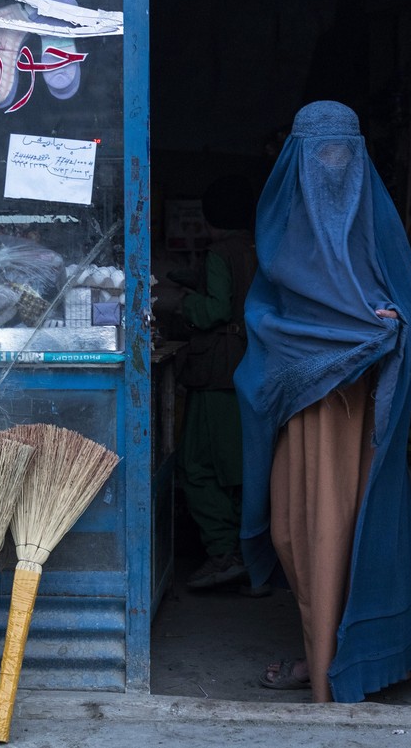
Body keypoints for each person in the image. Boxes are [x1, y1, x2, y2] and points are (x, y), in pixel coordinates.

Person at [234, 101, 411, 702]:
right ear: (297, 158)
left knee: (341, 533)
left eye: (343, 153)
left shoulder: (372, 222)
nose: (331, 165)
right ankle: (322, 654)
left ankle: (328, 666)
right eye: (319, 152)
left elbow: (409, 301)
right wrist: (313, 351)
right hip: (303, 410)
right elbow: (266, 319)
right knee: (293, 533)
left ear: (358, 156)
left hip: (359, 411)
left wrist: (386, 324)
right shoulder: (282, 229)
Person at [174, 175, 260, 591]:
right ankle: (252, 558)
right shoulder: (258, 249)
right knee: (245, 468)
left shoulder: (220, 252)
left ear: (210, 217)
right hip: (252, 369)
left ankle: (225, 553)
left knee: (198, 467)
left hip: (217, 373)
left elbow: (214, 310)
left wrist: (179, 302)